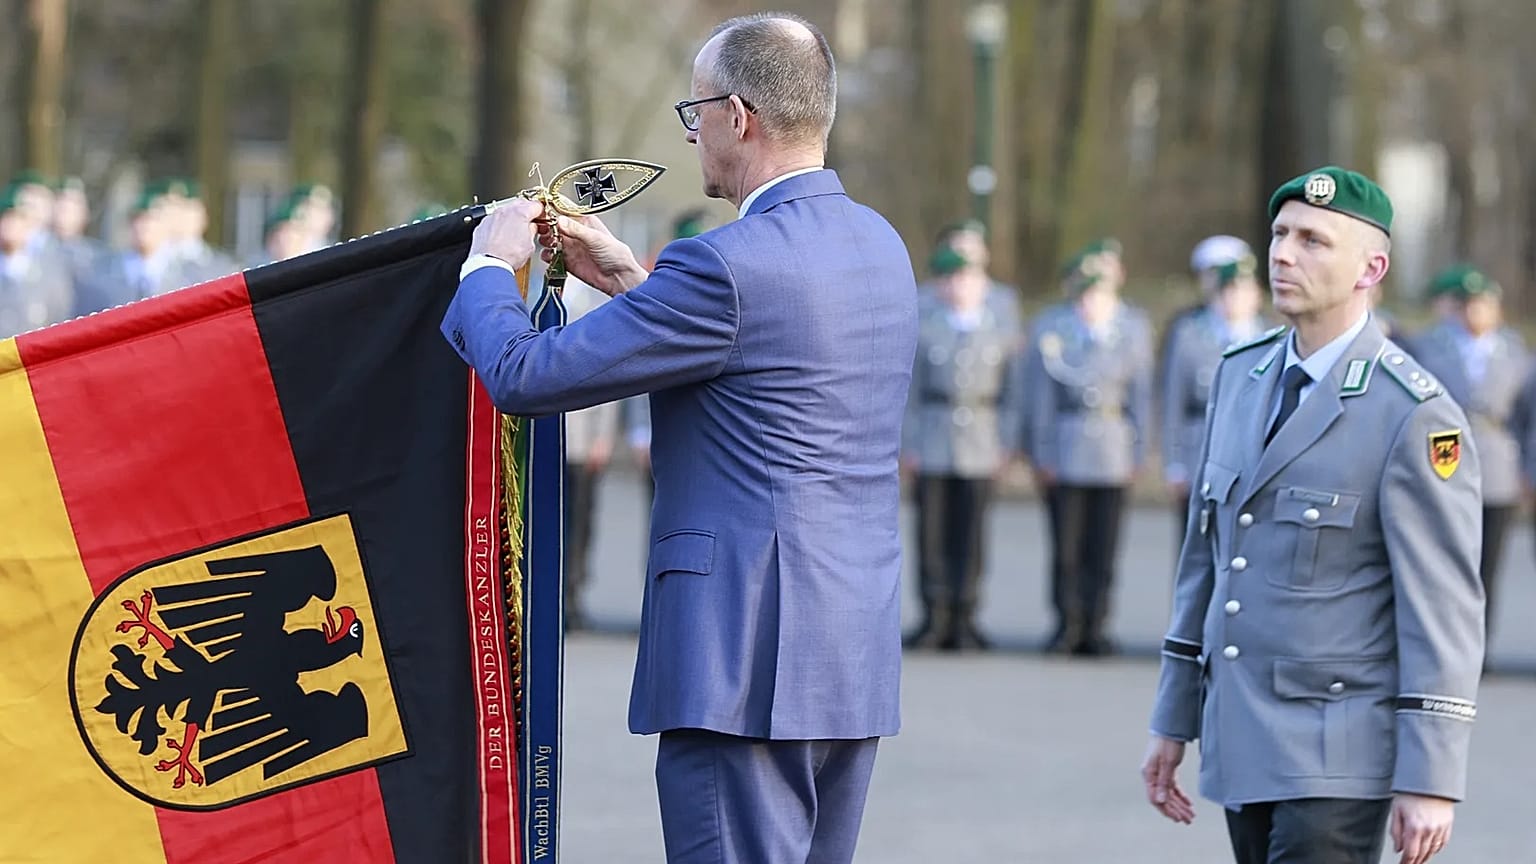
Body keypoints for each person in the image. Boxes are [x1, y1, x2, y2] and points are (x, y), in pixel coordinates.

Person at [440, 13, 914, 863]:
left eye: (695, 113)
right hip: (845, 648)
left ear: (739, 115)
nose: (693, 134)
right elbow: (761, 368)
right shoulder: (879, 245)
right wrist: (630, 278)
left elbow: (526, 377)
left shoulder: (726, 264)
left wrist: (487, 267)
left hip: (740, 657)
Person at [1142, 166, 1485, 864]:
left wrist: (1432, 779)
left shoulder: (1413, 413)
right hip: (1243, 738)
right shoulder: (1242, 375)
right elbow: (1203, 565)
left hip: (1340, 752)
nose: (1283, 254)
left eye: (1313, 240)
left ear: (1371, 268)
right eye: (1279, 234)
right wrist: (1173, 717)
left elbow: (1443, 610)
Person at [1021, 238, 1153, 657]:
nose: (1092, 302)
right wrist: (1041, 452)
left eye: (1100, 292)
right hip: (1066, 444)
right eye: (1086, 293)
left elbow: (1142, 396)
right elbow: (1040, 398)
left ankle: (1098, 622)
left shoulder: (1132, 330)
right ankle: (1068, 622)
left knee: (1105, 544)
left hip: (1113, 447)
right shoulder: (1054, 330)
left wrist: (1140, 450)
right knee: (1066, 545)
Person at [901, 236, 1023, 651]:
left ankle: (966, 614)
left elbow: (1011, 391)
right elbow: (911, 389)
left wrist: (1007, 442)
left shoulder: (997, 327)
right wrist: (909, 443)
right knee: (931, 533)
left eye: (968, 278)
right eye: (951, 279)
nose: (960, 287)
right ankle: (934, 615)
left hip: (981, 437)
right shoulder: (928, 326)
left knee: (971, 534)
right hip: (934, 435)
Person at [1408, 264, 1528, 658]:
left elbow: (1525, 416)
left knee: (1488, 565)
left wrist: (1527, 468)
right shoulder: (1430, 346)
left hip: (1497, 465)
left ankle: (1480, 649)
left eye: (1485, 304)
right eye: (1470, 304)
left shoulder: (1515, 351)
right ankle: (1442, 646)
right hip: (1444, 457)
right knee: (1443, 560)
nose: (1477, 312)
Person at [1159, 254, 1271, 548]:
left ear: (1256, 295)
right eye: (1228, 291)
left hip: (1250, 458)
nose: (1235, 299)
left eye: (1243, 290)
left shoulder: (1274, 340)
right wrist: (1174, 462)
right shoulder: (1190, 336)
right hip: (1200, 452)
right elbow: (1174, 403)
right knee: (1195, 544)